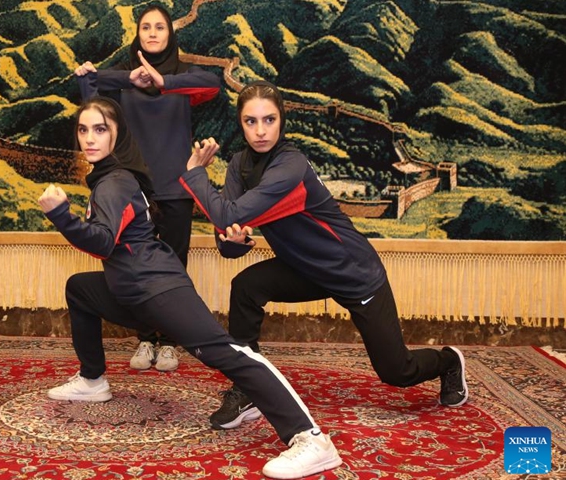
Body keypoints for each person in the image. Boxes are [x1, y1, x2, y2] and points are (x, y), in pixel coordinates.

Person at [37, 96, 342, 479]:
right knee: (81, 288)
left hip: (158, 289)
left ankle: (311, 439)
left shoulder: (115, 182)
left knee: (226, 353)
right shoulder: (108, 177)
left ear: (118, 134)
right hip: (129, 291)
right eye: (83, 129)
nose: (89, 138)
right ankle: (93, 379)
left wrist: (60, 214)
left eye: (100, 129)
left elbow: (101, 242)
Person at [179, 80, 469, 430]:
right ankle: (248, 386)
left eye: (269, 120)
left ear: (282, 121)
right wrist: (236, 240)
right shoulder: (240, 165)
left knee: (397, 371)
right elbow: (226, 244)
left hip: (352, 271)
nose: (260, 130)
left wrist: (196, 173)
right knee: (246, 286)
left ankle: (449, 361)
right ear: (240, 123)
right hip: (303, 268)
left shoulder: (291, 165)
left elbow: (225, 214)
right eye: (250, 121)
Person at [73, 3, 220, 372]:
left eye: (160, 27)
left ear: (171, 34)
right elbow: (89, 92)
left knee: (174, 267)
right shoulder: (125, 77)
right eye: (145, 27)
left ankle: (170, 341)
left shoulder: (183, 77)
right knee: (132, 266)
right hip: (134, 189)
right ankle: (145, 338)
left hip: (175, 188)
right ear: (137, 36)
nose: (153, 33)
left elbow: (214, 83)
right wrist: (127, 79)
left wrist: (163, 82)